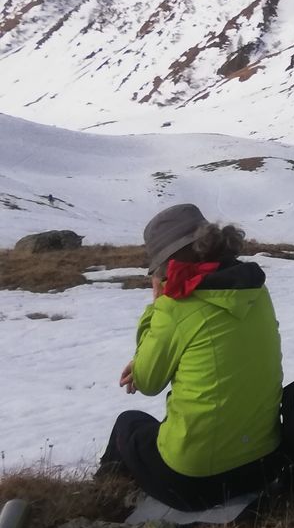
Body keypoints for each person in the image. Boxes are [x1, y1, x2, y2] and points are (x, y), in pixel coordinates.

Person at [96, 203, 284, 510]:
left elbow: (148, 382)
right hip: (264, 465)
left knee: (127, 425)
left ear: (166, 263)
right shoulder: (256, 291)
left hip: (196, 482)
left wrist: (157, 305)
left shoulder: (176, 308)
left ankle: (101, 502)